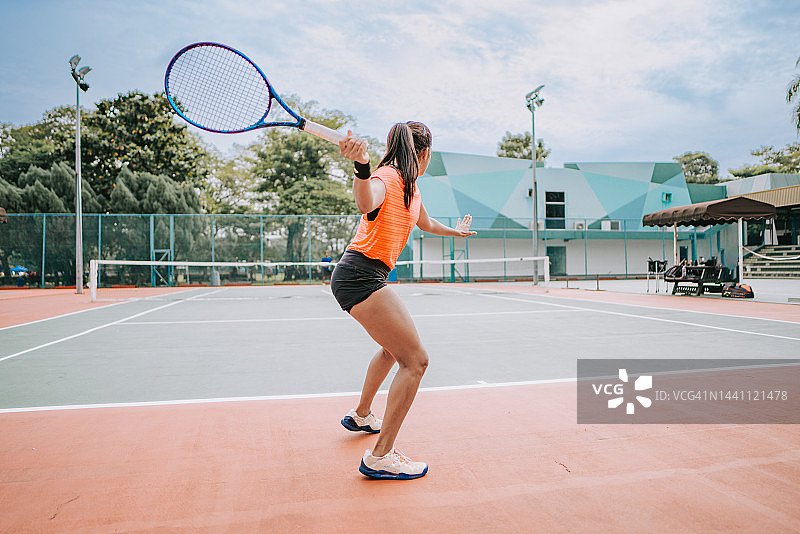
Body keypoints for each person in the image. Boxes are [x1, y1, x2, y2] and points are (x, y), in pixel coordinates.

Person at [333, 121, 476, 480]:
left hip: (364, 275)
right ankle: (381, 456)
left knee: (392, 350)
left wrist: (455, 231)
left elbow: (424, 223)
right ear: (424, 154)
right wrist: (362, 168)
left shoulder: (412, 189)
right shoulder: (387, 177)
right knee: (416, 361)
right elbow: (367, 201)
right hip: (360, 275)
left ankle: (362, 415)